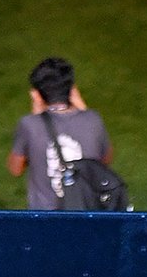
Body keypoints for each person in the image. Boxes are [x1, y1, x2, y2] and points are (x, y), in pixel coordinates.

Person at [9, 56, 113, 210]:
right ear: (72, 90)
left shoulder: (29, 125)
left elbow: (15, 169)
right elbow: (105, 160)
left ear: (37, 95)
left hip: (45, 218)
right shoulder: (93, 120)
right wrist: (83, 109)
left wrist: (36, 115)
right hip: (87, 213)